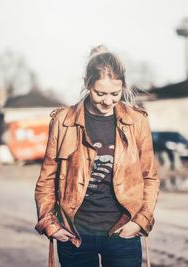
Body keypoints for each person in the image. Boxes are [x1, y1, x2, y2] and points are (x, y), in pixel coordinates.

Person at [34, 45, 160, 267]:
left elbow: (149, 177)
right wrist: (50, 223)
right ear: (87, 83)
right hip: (74, 235)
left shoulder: (137, 121)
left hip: (123, 231)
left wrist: (140, 222)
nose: (107, 101)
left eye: (115, 93)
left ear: (123, 86)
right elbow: (46, 180)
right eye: (100, 93)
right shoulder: (63, 121)